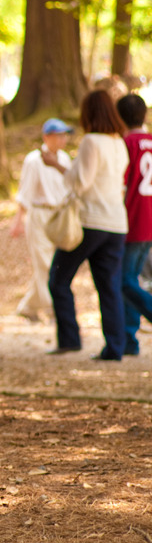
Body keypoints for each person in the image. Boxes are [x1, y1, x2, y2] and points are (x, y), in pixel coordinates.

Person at [42, 90, 129, 360]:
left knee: (59, 278)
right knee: (109, 286)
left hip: (92, 222)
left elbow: (81, 182)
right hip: (116, 222)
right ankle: (116, 346)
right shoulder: (119, 143)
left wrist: (56, 165)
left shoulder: (92, 141)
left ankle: (70, 339)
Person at [9, 118, 74, 322]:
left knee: (55, 262)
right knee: (44, 263)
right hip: (39, 214)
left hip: (60, 214)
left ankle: (28, 306)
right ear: (47, 137)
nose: (63, 139)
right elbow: (25, 192)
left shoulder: (64, 159)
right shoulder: (34, 161)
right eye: (59, 135)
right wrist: (19, 219)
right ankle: (53, 308)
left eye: (65, 135)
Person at [117, 93, 152, 356]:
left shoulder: (125, 144)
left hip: (133, 220)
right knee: (132, 278)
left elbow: (121, 183)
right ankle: (129, 339)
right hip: (149, 220)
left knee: (124, 280)